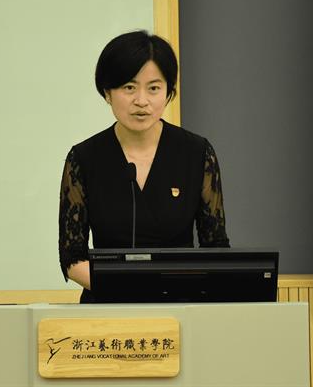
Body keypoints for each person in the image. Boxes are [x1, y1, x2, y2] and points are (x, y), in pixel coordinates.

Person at [58, 30, 229, 302]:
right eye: (129, 87)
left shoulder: (197, 153)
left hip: (179, 305)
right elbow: (72, 257)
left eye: (154, 88)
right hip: (106, 305)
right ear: (107, 92)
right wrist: (129, 289)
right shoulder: (84, 158)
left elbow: (216, 247)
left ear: (168, 93)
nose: (141, 100)